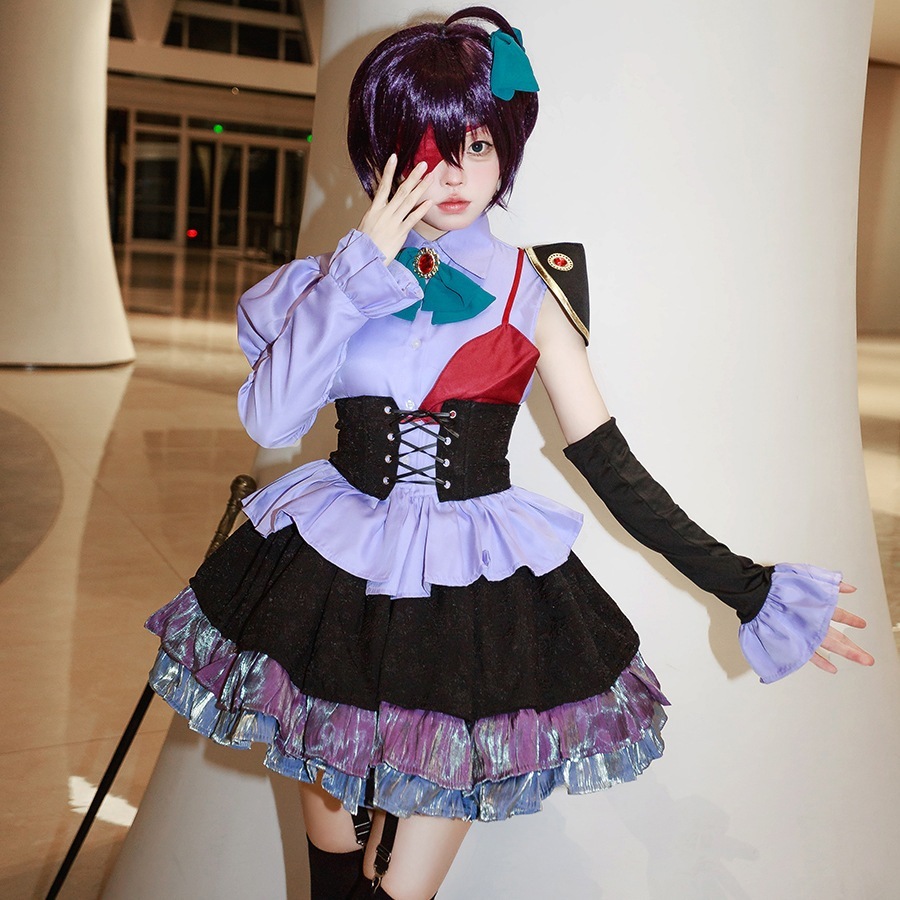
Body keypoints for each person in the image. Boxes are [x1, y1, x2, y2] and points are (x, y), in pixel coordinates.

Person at [144, 7, 874, 899]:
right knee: (332, 870)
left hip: (469, 601)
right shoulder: (327, 283)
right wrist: (355, 277)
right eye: (428, 150)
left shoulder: (534, 289)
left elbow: (610, 465)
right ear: (382, 158)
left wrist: (746, 585)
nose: (456, 174)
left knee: (398, 887)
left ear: (506, 149)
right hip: (332, 583)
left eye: (479, 145)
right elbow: (271, 422)